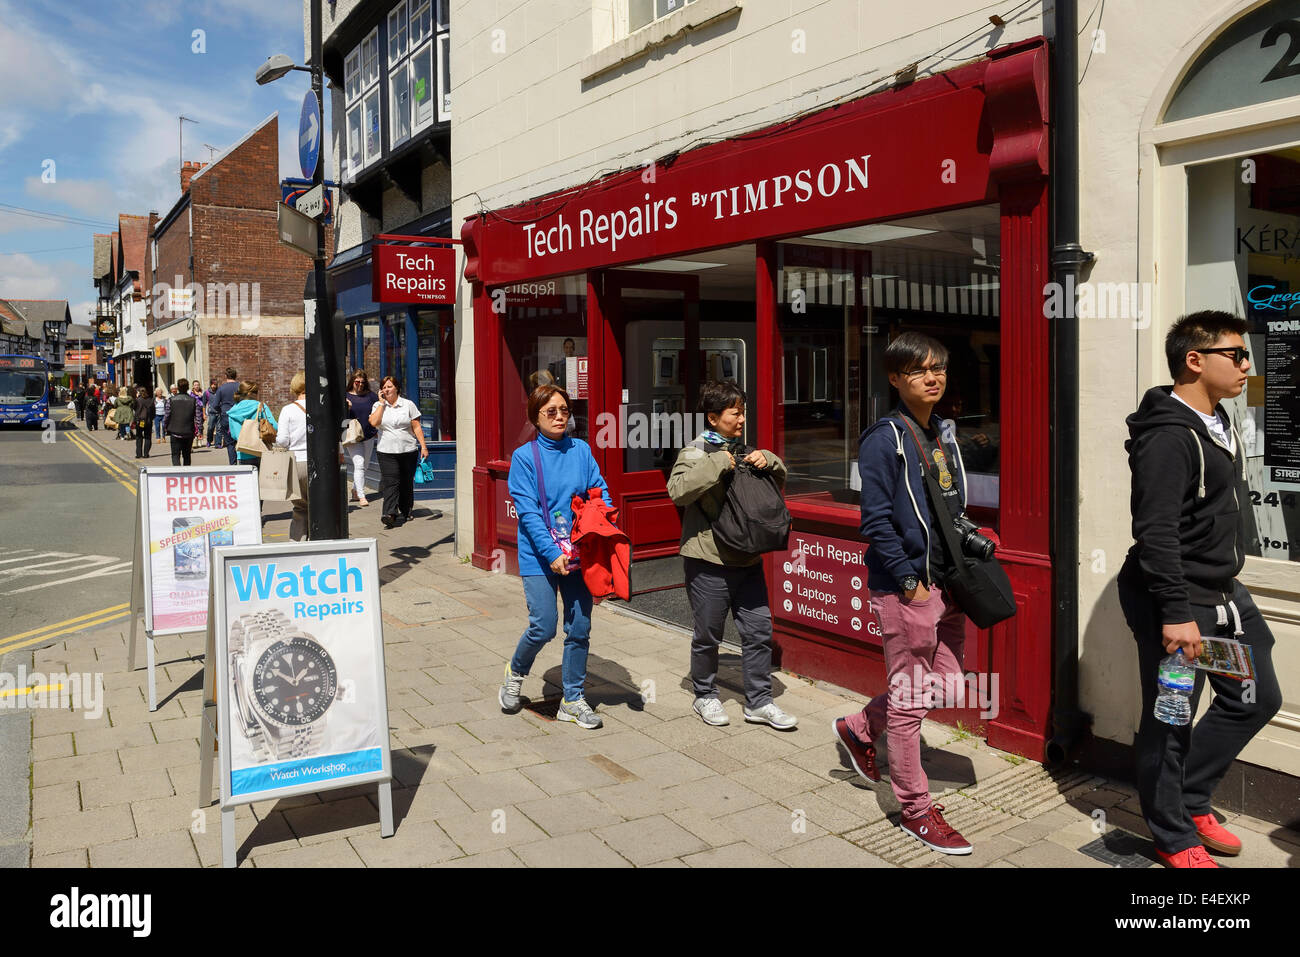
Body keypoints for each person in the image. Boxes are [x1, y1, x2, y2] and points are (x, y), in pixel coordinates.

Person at [1117, 311, 1282, 869]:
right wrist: (1175, 612)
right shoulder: (1167, 437)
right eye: (1235, 354)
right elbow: (1156, 531)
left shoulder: (1220, 420)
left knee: (1255, 697)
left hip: (1224, 595)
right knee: (1171, 716)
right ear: (1195, 360)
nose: (1246, 365)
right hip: (1178, 600)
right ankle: (1171, 835)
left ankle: (1191, 797)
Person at [831, 332, 975, 855]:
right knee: (911, 702)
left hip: (950, 584)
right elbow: (877, 521)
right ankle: (915, 808)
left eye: (938, 367)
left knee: (952, 685)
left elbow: (948, 506)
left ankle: (858, 725)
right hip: (906, 589)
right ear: (895, 378)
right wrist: (910, 584)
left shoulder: (943, 434)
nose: (932, 377)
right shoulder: (883, 438)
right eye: (919, 370)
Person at [667, 380, 795, 732]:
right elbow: (677, 491)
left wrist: (769, 460)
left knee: (758, 632)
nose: (741, 419)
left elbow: (778, 482)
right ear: (712, 417)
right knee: (708, 633)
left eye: (743, 412)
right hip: (708, 561)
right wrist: (718, 463)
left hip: (747, 559)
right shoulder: (695, 452)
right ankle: (705, 693)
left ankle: (760, 702)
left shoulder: (745, 449)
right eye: (734, 413)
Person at [498, 384, 611, 730]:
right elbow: (529, 513)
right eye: (551, 411)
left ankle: (573, 700)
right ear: (536, 417)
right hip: (539, 555)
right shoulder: (524, 457)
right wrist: (551, 554)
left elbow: (600, 490)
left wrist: (600, 517)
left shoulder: (581, 450)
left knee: (579, 627)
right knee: (543, 626)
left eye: (565, 410)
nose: (560, 416)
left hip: (580, 553)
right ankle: (516, 671)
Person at [369, 375, 428, 529]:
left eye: (389, 386)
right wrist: (382, 404)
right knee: (391, 482)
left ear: (396, 388)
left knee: (406, 482)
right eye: (384, 387)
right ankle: (389, 513)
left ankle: (406, 509)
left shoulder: (408, 405)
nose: (386, 389)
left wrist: (423, 446)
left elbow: (416, 427)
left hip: (408, 450)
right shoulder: (377, 406)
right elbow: (374, 423)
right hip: (386, 451)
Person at [275, 372, 309, 541]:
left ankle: (298, 543)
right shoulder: (321, 407)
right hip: (318, 463)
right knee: (319, 506)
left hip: (297, 463)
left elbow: (282, 440)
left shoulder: (288, 410)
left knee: (300, 507)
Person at [344, 369, 379, 506]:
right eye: (357, 382)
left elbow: (378, 411)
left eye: (362, 382)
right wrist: (347, 408)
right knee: (359, 464)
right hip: (353, 435)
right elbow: (341, 419)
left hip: (369, 434)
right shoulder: (346, 396)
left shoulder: (371, 396)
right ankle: (361, 495)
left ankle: (354, 490)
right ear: (352, 382)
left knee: (364, 465)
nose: (359, 384)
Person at [226, 381, 277, 466]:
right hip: (262, 450)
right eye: (256, 392)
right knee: (264, 478)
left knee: (247, 479)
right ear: (251, 393)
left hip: (243, 452)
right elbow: (274, 426)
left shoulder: (233, 411)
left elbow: (234, 435)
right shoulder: (260, 406)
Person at [163, 377, 201, 465]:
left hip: (175, 432)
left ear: (178, 388)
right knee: (187, 455)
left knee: (175, 455)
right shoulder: (193, 400)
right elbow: (198, 417)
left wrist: (165, 427)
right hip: (188, 432)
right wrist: (199, 430)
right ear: (188, 387)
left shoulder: (171, 400)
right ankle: (186, 476)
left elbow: (166, 416)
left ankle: (178, 474)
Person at [212, 367, 240, 465]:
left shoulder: (221, 388)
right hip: (239, 417)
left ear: (225, 376)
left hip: (226, 417)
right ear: (236, 376)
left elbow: (214, 405)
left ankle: (233, 465)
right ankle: (243, 464)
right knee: (241, 441)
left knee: (230, 443)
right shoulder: (240, 387)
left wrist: (221, 411)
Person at [132, 386, 155, 459]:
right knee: (148, 437)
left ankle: (139, 454)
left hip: (140, 421)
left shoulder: (137, 400)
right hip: (148, 421)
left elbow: (134, 408)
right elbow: (153, 411)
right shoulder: (150, 400)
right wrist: (151, 418)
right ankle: (146, 454)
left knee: (139, 437)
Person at [201, 378, 219, 447]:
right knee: (210, 428)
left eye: (216, 385)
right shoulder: (207, 393)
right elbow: (204, 404)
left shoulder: (219, 391)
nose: (215, 386)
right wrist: (204, 414)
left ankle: (218, 443)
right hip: (211, 413)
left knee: (219, 429)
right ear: (211, 384)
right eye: (213, 384)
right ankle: (209, 441)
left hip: (219, 412)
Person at [190, 381, 206, 448]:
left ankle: (200, 440)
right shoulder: (191, 394)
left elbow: (204, 403)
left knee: (201, 426)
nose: (196, 386)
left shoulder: (202, 393)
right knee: (196, 426)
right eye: (195, 385)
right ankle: (195, 441)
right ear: (193, 386)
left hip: (201, 411)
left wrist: (202, 396)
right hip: (194, 412)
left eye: (198, 385)